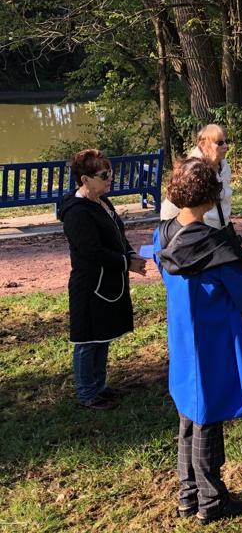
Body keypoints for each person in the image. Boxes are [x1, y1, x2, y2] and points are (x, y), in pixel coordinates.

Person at [154, 157, 242, 523]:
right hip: (213, 343)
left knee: (188, 414)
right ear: (210, 197)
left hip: (183, 340)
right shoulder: (217, 249)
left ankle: (188, 494)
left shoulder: (164, 234)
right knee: (207, 420)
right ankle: (212, 500)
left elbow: (160, 265)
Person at [58, 148, 146, 410]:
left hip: (108, 282)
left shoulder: (104, 202)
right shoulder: (76, 212)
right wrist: (124, 263)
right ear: (84, 180)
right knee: (88, 340)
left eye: (110, 174)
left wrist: (129, 254)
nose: (110, 180)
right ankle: (87, 393)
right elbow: (91, 251)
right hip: (89, 285)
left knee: (103, 334)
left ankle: (100, 385)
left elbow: (118, 235)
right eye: (104, 175)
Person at [160, 123, 233, 229]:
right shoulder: (192, 171)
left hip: (221, 227)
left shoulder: (224, 166)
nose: (226, 146)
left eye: (226, 142)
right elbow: (174, 204)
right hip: (199, 230)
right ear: (203, 144)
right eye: (220, 143)